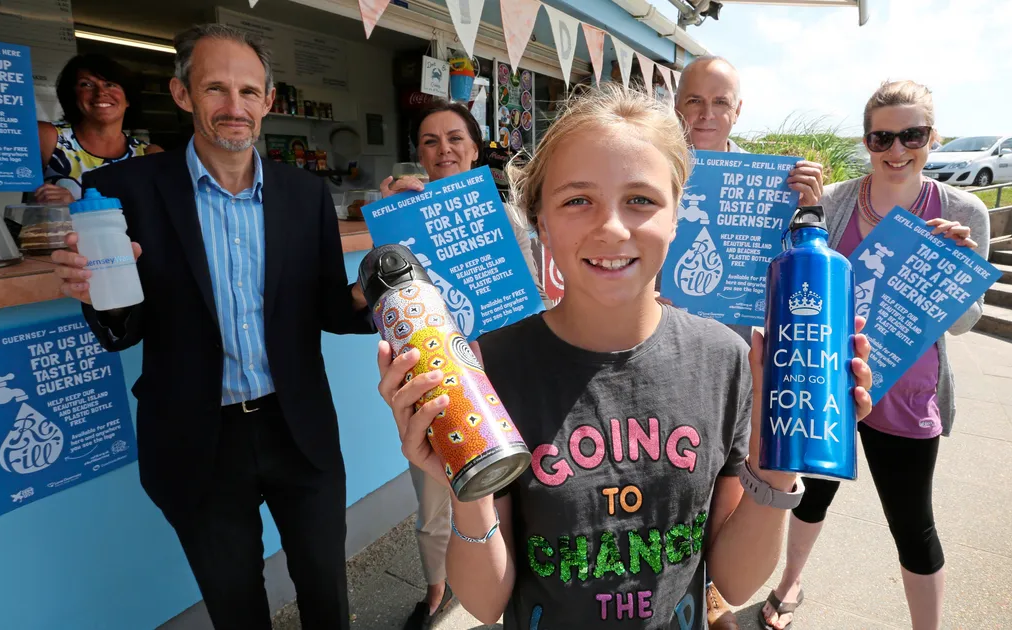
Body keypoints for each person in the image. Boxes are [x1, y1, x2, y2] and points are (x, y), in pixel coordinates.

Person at [375, 84, 875, 629]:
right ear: (540, 219)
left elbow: (733, 581)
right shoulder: (489, 370)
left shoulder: (725, 362)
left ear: (677, 215)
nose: (611, 227)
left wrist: (776, 457)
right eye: (576, 200)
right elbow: (486, 602)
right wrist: (462, 480)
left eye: (640, 199)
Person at [50, 24, 372, 630]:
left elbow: (331, 308)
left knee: (327, 594)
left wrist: (377, 289)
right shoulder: (121, 190)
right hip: (196, 438)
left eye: (249, 92)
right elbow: (123, 331)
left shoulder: (304, 194)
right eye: (216, 88)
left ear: (269, 101)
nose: (235, 107)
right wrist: (95, 293)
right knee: (235, 608)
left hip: (297, 427)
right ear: (182, 94)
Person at [759, 80, 989, 630]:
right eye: (881, 137)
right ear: (866, 141)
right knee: (810, 496)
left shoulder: (964, 211)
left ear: (933, 136)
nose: (896, 150)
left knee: (913, 523)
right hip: (827, 384)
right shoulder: (836, 201)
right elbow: (789, 272)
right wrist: (799, 205)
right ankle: (789, 584)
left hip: (907, 391)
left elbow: (961, 324)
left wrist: (952, 272)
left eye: (912, 134)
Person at [672, 53, 828, 630]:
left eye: (720, 102)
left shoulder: (774, 184)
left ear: (738, 110)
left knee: (731, 478)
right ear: (678, 104)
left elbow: (806, 268)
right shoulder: (656, 167)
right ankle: (681, 581)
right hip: (667, 352)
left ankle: (717, 591)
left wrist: (809, 206)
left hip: (740, 362)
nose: (706, 112)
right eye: (694, 99)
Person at [377, 99, 545, 630]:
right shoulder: (398, 220)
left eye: (455, 138)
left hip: (504, 377)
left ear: (475, 148)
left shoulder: (508, 218)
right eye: (430, 141)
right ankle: (435, 590)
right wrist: (389, 223)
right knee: (433, 496)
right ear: (419, 156)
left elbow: (534, 295)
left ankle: (508, 582)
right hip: (434, 386)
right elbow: (374, 303)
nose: (443, 149)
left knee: (518, 489)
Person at [35, 54, 162, 204]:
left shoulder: (149, 155)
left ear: (127, 99)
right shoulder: (48, 137)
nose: (101, 92)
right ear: (73, 95)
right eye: (86, 85)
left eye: (110, 84)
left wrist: (75, 206)